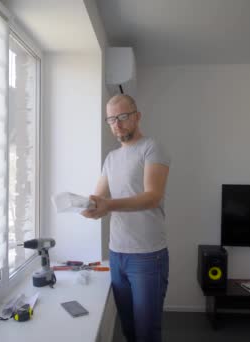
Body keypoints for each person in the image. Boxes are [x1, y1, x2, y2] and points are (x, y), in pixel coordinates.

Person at [81, 94, 171, 342]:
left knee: (147, 332)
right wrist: (88, 206)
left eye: (122, 117)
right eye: (111, 119)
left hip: (147, 255)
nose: (117, 125)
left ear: (137, 116)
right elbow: (99, 197)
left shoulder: (152, 148)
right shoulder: (111, 158)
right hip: (117, 253)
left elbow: (152, 196)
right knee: (129, 329)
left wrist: (107, 205)